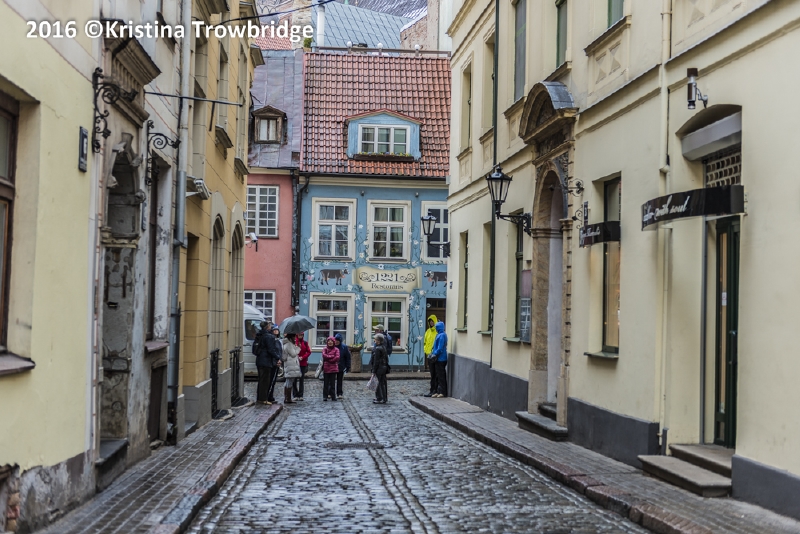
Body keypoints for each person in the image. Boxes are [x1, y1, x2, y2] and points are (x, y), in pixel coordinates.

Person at [254, 321, 275, 405]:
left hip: (259, 360)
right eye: (269, 325)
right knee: (265, 381)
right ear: (267, 326)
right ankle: (263, 399)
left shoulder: (259, 335)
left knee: (261, 380)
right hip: (266, 361)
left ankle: (260, 398)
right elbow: (271, 349)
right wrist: (277, 357)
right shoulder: (268, 336)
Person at [281, 333, 301, 404]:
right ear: (291, 337)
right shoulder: (289, 344)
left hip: (289, 365)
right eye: (294, 336)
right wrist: (298, 348)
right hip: (291, 365)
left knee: (288, 381)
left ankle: (287, 398)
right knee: (289, 381)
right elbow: (293, 354)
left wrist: (295, 347)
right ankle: (288, 398)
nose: (295, 338)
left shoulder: (286, 344)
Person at [370, 333, 389, 404]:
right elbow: (386, 359)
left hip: (379, 368)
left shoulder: (377, 349)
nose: (374, 341)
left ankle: (379, 398)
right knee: (383, 383)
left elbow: (376, 361)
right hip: (384, 367)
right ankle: (384, 398)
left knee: (377, 383)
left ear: (378, 340)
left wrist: (373, 370)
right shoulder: (383, 347)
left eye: (375, 339)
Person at [422, 314, 438, 397]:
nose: (431, 323)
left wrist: (433, 352)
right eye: (430, 321)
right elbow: (425, 342)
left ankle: (435, 390)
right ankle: (432, 390)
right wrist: (426, 351)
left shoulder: (437, 331)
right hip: (429, 356)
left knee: (435, 374)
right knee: (432, 374)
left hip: (435, 356)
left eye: (432, 321)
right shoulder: (427, 331)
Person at [266, 326, 283, 403]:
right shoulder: (272, 340)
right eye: (274, 330)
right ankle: (268, 396)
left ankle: (271, 396)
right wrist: (277, 360)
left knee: (273, 381)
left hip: (277, 362)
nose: (276, 331)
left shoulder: (278, 341)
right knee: (270, 380)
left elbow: (280, 351)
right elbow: (272, 351)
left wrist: (280, 359)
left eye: (277, 330)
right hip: (273, 362)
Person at [431, 321, 448, 398]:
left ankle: (443, 392)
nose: (436, 329)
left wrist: (434, 354)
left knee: (441, 376)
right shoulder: (440, 335)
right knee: (438, 376)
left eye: (437, 327)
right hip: (438, 358)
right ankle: (438, 391)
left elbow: (440, 348)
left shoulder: (442, 335)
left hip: (441, 358)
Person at [293, 332, 311, 401]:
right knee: (294, 380)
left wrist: (303, 357)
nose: (300, 336)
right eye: (299, 334)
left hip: (302, 363)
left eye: (301, 335)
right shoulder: (294, 342)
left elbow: (309, 352)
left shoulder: (305, 343)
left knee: (301, 380)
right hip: (295, 363)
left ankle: (301, 395)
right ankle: (295, 394)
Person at [321, 337, 340, 401]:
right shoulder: (325, 349)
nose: (330, 342)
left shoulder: (336, 349)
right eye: (329, 341)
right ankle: (325, 396)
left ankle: (333, 396)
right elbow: (324, 355)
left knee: (332, 384)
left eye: (331, 341)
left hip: (333, 369)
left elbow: (337, 358)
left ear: (334, 342)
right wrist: (332, 356)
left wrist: (328, 359)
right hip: (326, 368)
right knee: (325, 383)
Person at [334, 334, 351, 399]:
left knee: (340, 381)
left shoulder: (344, 347)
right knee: (331, 380)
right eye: (335, 340)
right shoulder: (332, 346)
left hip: (341, 366)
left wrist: (347, 366)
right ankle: (330, 393)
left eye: (338, 340)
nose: (336, 342)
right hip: (333, 366)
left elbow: (347, 357)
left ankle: (339, 393)